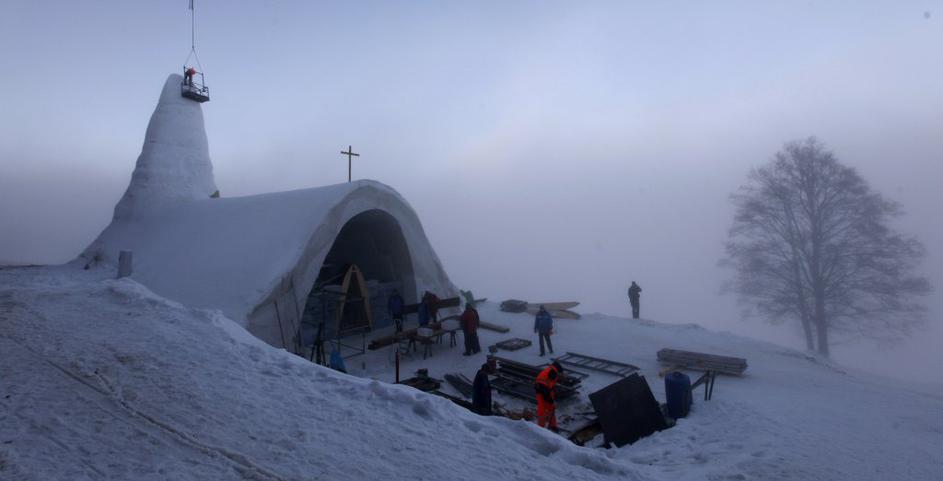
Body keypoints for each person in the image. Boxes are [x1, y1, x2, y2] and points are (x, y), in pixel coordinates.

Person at [535, 361, 563, 431]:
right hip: (542, 391)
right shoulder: (552, 372)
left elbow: (550, 384)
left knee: (551, 408)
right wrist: (548, 398)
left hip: (544, 390)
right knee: (543, 410)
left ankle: (552, 425)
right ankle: (541, 428)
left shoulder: (550, 370)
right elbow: (543, 386)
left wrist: (554, 392)